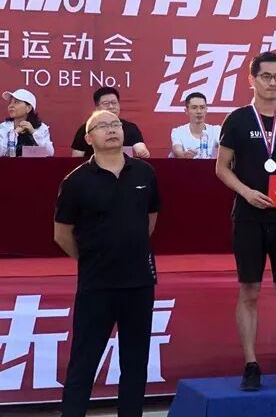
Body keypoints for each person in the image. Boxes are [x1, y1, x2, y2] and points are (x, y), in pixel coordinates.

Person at [54, 110, 160, 416]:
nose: (111, 130)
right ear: (89, 139)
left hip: (139, 282)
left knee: (135, 363)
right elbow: (61, 234)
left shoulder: (145, 173)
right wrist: (91, 257)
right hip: (97, 284)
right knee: (84, 362)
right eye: (102, 126)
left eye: (116, 125)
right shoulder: (76, 181)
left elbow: (150, 220)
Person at [216, 51, 276, 391]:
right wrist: (246, 192)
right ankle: (251, 365)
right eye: (266, 76)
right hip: (249, 216)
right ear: (252, 79)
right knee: (250, 290)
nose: (272, 83)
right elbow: (221, 168)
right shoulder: (238, 120)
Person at [71, 87, 150, 159]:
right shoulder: (86, 129)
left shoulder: (130, 127)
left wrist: (143, 152)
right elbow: (76, 159)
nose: (111, 107)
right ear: (97, 107)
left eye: (114, 102)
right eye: (106, 103)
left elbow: (140, 148)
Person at [0, 88, 54, 157]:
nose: (11, 106)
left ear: (28, 108)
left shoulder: (41, 128)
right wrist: (13, 134)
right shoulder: (4, 127)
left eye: (16, 102)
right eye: (10, 102)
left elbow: (49, 153)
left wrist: (33, 132)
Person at [170, 92, 221, 158]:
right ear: (186, 111)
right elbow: (177, 151)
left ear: (206, 110)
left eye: (202, 107)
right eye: (194, 108)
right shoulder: (178, 132)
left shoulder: (216, 130)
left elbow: (226, 148)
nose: (199, 111)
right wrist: (183, 155)